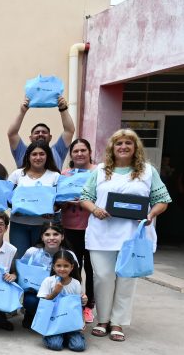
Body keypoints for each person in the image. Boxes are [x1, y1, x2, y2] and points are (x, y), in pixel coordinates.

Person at [80, 129, 171, 342]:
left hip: (133, 236)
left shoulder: (148, 171)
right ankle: (103, 319)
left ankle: (118, 322)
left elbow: (162, 199)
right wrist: (94, 210)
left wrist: (151, 214)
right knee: (103, 277)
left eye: (128, 143)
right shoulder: (101, 171)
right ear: (112, 147)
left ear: (135, 147)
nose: (123, 147)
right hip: (102, 234)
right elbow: (85, 196)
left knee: (127, 279)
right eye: (118, 143)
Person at [59, 138, 97, 323]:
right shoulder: (65, 174)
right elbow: (57, 202)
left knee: (91, 269)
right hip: (69, 227)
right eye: (76, 151)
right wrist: (65, 202)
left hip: (93, 229)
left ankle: (89, 306)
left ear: (90, 152)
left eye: (83, 150)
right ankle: (75, 303)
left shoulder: (99, 172)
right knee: (74, 268)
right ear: (71, 154)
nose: (80, 154)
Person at [7, 141, 61, 258]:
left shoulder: (55, 176)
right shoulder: (17, 174)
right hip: (19, 224)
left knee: (42, 260)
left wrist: (52, 209)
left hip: (43, 226)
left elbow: (59, 202)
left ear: (47, 156)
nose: (38, 157)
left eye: (42, 154)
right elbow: (7, 198)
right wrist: (16, 208)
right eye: (34, 154)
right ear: (28, 156)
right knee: (19, 259)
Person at [19, 223, 77, 329]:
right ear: (42, 237)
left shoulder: (69, 255)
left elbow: (75, 279)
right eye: (47, 234)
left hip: (61, 296)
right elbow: (21, 275)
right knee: (30, 301)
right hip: (36, 296)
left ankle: (55, 318)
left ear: (62, 236)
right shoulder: (32, 252)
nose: (51, 238)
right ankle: (32, 314)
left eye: (55, 234)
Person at [36, 250, 87, 352]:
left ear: (72, 267)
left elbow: (78, 305)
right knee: (56, 345)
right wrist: (55, 292)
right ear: (53, 266)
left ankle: (67, 335)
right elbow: (43, 304)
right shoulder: (48, 281)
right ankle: (55, 335)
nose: (62, 269)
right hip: (53, 321)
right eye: (58, 265)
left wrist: (82, 321)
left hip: (70, 322)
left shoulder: (76, 283)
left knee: (78, 346)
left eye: (66, 266)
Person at [7, 96, 75, 168]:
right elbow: (12, 134)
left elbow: (69, 131)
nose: (40, 134)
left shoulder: (57, 151)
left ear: (50, 137)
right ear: (30, 138)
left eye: (44, 132)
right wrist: (22, 112)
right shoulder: (22, 152)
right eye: (37, 132)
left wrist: (63, 109)